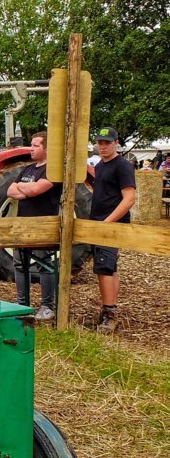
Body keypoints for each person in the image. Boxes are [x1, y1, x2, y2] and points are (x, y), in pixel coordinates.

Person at [6, 132, 61, 322]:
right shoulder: (27, 169)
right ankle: (22, 304)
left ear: (47, 148)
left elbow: (39, 189)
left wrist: (24, 188)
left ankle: (47, 306)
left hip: (44, 225)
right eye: (31, 144)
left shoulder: (53, 170)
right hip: (23, 224)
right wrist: (26, 189)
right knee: (20, 263)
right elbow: (10, 191)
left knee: (46, 264)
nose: (31, 148)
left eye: (36, 145)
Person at [87, 126, 136, 334]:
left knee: (104, 268)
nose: (103, 146)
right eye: (100, 142)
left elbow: (129, 198)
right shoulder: (100, 165)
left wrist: (108, 222)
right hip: (98, 223)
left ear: (117, 143)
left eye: (107, 142)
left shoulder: (123, 166)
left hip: (110, 225)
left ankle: (109, 315)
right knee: (109, 267)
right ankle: (109, 309)